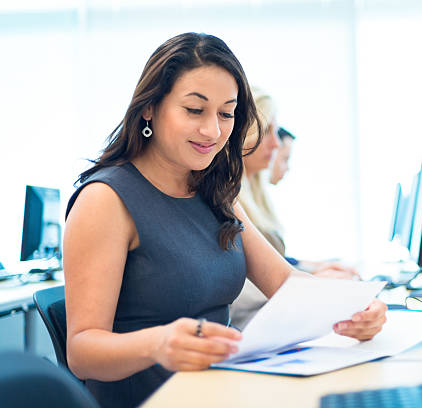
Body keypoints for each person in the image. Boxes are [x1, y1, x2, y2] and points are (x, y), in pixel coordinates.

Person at [62, 32, 387, 408]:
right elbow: (82, 351)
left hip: (224, 392)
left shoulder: (215, 190)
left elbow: (286, 282)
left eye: (226, 113)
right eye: (194, 110)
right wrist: (159, 343)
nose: (213, 131)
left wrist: (356, 309)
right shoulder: (105, 200)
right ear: (149, 108)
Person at [230, 87, 361, 329]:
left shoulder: (253, 195)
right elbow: (241, 284)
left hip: (272, 318)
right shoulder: (224, 199)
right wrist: (315, 280)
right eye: (267, 130)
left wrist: (312, 273)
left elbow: (275, 264)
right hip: (253, 325)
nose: (276, 143)